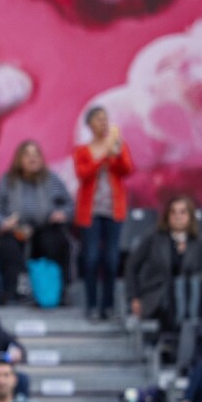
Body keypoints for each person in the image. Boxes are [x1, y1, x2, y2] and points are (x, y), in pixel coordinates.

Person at [73, 105, 135, 319]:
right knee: (90, 258)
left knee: (111, 259)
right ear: (89, 124)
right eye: (98, 119)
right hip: (90, 211)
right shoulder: (83, 150)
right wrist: (102, 156)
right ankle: (90, 304)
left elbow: (127, 170)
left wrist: (115, 153)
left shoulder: (117, 145)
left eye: (105, 118)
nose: (103, 122)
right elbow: (83, 174)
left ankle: (107, 305)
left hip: (113, 210)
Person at [0, 140, 74, 296]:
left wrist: (62, 213)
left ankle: (55, 290)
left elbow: (69, 204)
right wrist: (3, 223)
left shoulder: (51, 179)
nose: (33, 158)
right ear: (19, 159)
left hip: (45, 226)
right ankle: (12, 290)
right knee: (5, 244)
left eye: (36, 154)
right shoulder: (8, 180)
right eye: (27, 155)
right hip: (16, 228)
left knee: (57, 240)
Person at [126, 195, 202, 329]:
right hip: (157, 297)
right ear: (167, 215)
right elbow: (131, 267)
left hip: (191, 297)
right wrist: (134, 297)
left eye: (183, 212)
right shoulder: (153, 237)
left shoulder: (200, 241)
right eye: (173, 212)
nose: (178, 216)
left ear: (190, 216)